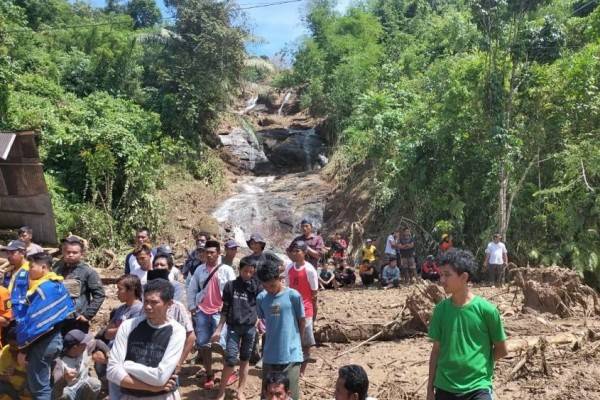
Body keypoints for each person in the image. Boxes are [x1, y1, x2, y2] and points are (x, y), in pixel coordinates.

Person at [427, 249, 508, 400]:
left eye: (447, 274)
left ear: (464, 277)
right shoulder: (440, 310)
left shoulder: (487, 310)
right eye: (441, 274)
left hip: (478, 388)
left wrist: (478, 365)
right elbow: (436, 351)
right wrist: (429, 389)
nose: (442, 280)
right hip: (445, 387)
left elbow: (502, 350)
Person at [107, 279, 185, 399]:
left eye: (154, 302)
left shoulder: (176, 331)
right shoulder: (129, 326)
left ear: (169, 304)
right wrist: (151, 387)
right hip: (130, 396)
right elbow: (112, 372)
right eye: (146, 301)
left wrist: (127, 365)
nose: (148, 307)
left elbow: (160, 377)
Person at [16, 252, 75, 400]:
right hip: (55, 341)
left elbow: (35, 324)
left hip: (43, 343)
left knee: (39, 389)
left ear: (43, 267)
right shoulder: (57, 285)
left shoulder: (43, 289)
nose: (29, 269)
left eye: (31, 266)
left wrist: (23, 348)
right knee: (46, 382)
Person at [186, 240, 236, 390]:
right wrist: (192, 306)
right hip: (202, 311)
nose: (209, 255)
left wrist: (230, 310)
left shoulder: (226, 270)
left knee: (221, 344)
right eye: (207, 252)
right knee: (203, 344)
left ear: (218, 253)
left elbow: (233, 291)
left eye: (212, 252)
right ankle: (209, 374)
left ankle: (230, 370)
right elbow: (192, 288)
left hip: (220, 313)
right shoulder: (200, 270)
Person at [211, 257, 262, 400]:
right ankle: (221, 391)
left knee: (245, 359)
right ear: (239, 270)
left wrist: (258, 322)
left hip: (250, 328)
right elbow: (225, 309)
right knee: (231, 359)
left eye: (251, 272)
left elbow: (260, 306)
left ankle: (240, 391)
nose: (247, 274)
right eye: (245, 271)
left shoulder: (257, 287)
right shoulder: (230, 286)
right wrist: (219, 329)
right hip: (233, 327)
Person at [256, 261, 304, 400]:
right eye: (265, 286)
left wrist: (297, 343)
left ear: (279, 278)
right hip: (270, 354)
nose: (269, 289)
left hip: (291, 354)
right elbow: (263, 319)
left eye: (272, 285)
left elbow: (302, 321)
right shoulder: (261, 298)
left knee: (290, 396)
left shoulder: (293, 296)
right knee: (268, 395)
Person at [97, 275, 144, 400]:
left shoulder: (139, 310)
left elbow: (130, 332)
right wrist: (117, 330)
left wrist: (117, 330)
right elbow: (107, 332)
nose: (117, 293)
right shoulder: (121, 309)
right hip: (113, 352)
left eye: (120, 289)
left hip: (125, 355)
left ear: (131, 290)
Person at [53, 235, 105, 332]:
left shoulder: (88, 272)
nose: (71, 255)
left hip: (76, 319)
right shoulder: (56, 268)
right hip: (57, 317)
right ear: (63, 252)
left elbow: (99, 295)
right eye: (68, 252)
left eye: (75, 252)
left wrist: (87, 315)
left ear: (81, 254)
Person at [284, 241, 318, 377]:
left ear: (304, 253)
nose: (295, 253)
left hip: (306, 310)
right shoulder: (289, 268)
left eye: (298, 250)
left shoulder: (310, 270)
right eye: (293, 250)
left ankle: (302, 371)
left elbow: (314, 294)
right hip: (291, 309)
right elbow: (287, 288)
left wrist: (314, 313)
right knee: (291, 338)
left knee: (306, 341)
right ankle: (291, 365)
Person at [52, 329, 107, 400]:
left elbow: (97, 342)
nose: (86, 344)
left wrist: (107, 352)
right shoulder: (60, 363)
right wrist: (64, 379)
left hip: (83, 385)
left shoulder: (84, 350)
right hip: (70, 392)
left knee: (95, 383)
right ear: (75, 347)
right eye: (84, 343)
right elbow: (56, 391)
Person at [0, 324, 27, 400]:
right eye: (10, 345)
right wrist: (3, 377)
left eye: (14, 346)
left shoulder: (31, 353)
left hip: (26, 388)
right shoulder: (6, 351)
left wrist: (17, 372)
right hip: (10, 387)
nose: (10, 349)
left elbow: (36, 378)